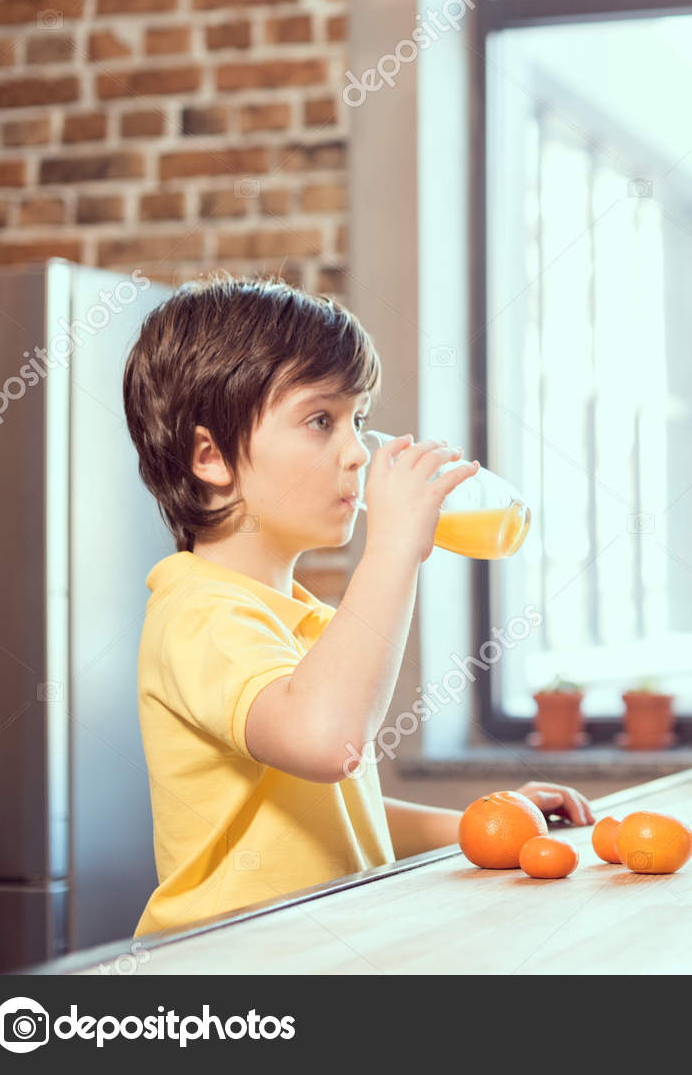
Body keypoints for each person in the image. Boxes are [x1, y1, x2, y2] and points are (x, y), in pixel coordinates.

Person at [122, 276, 592, 936]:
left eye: (359, 420)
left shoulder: (298, 616)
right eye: (321, 421)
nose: (357, 453)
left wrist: (480, 824)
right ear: (211, 457)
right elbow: (329, 743)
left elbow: (334, 814)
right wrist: (394, 550)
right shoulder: (201, 613)